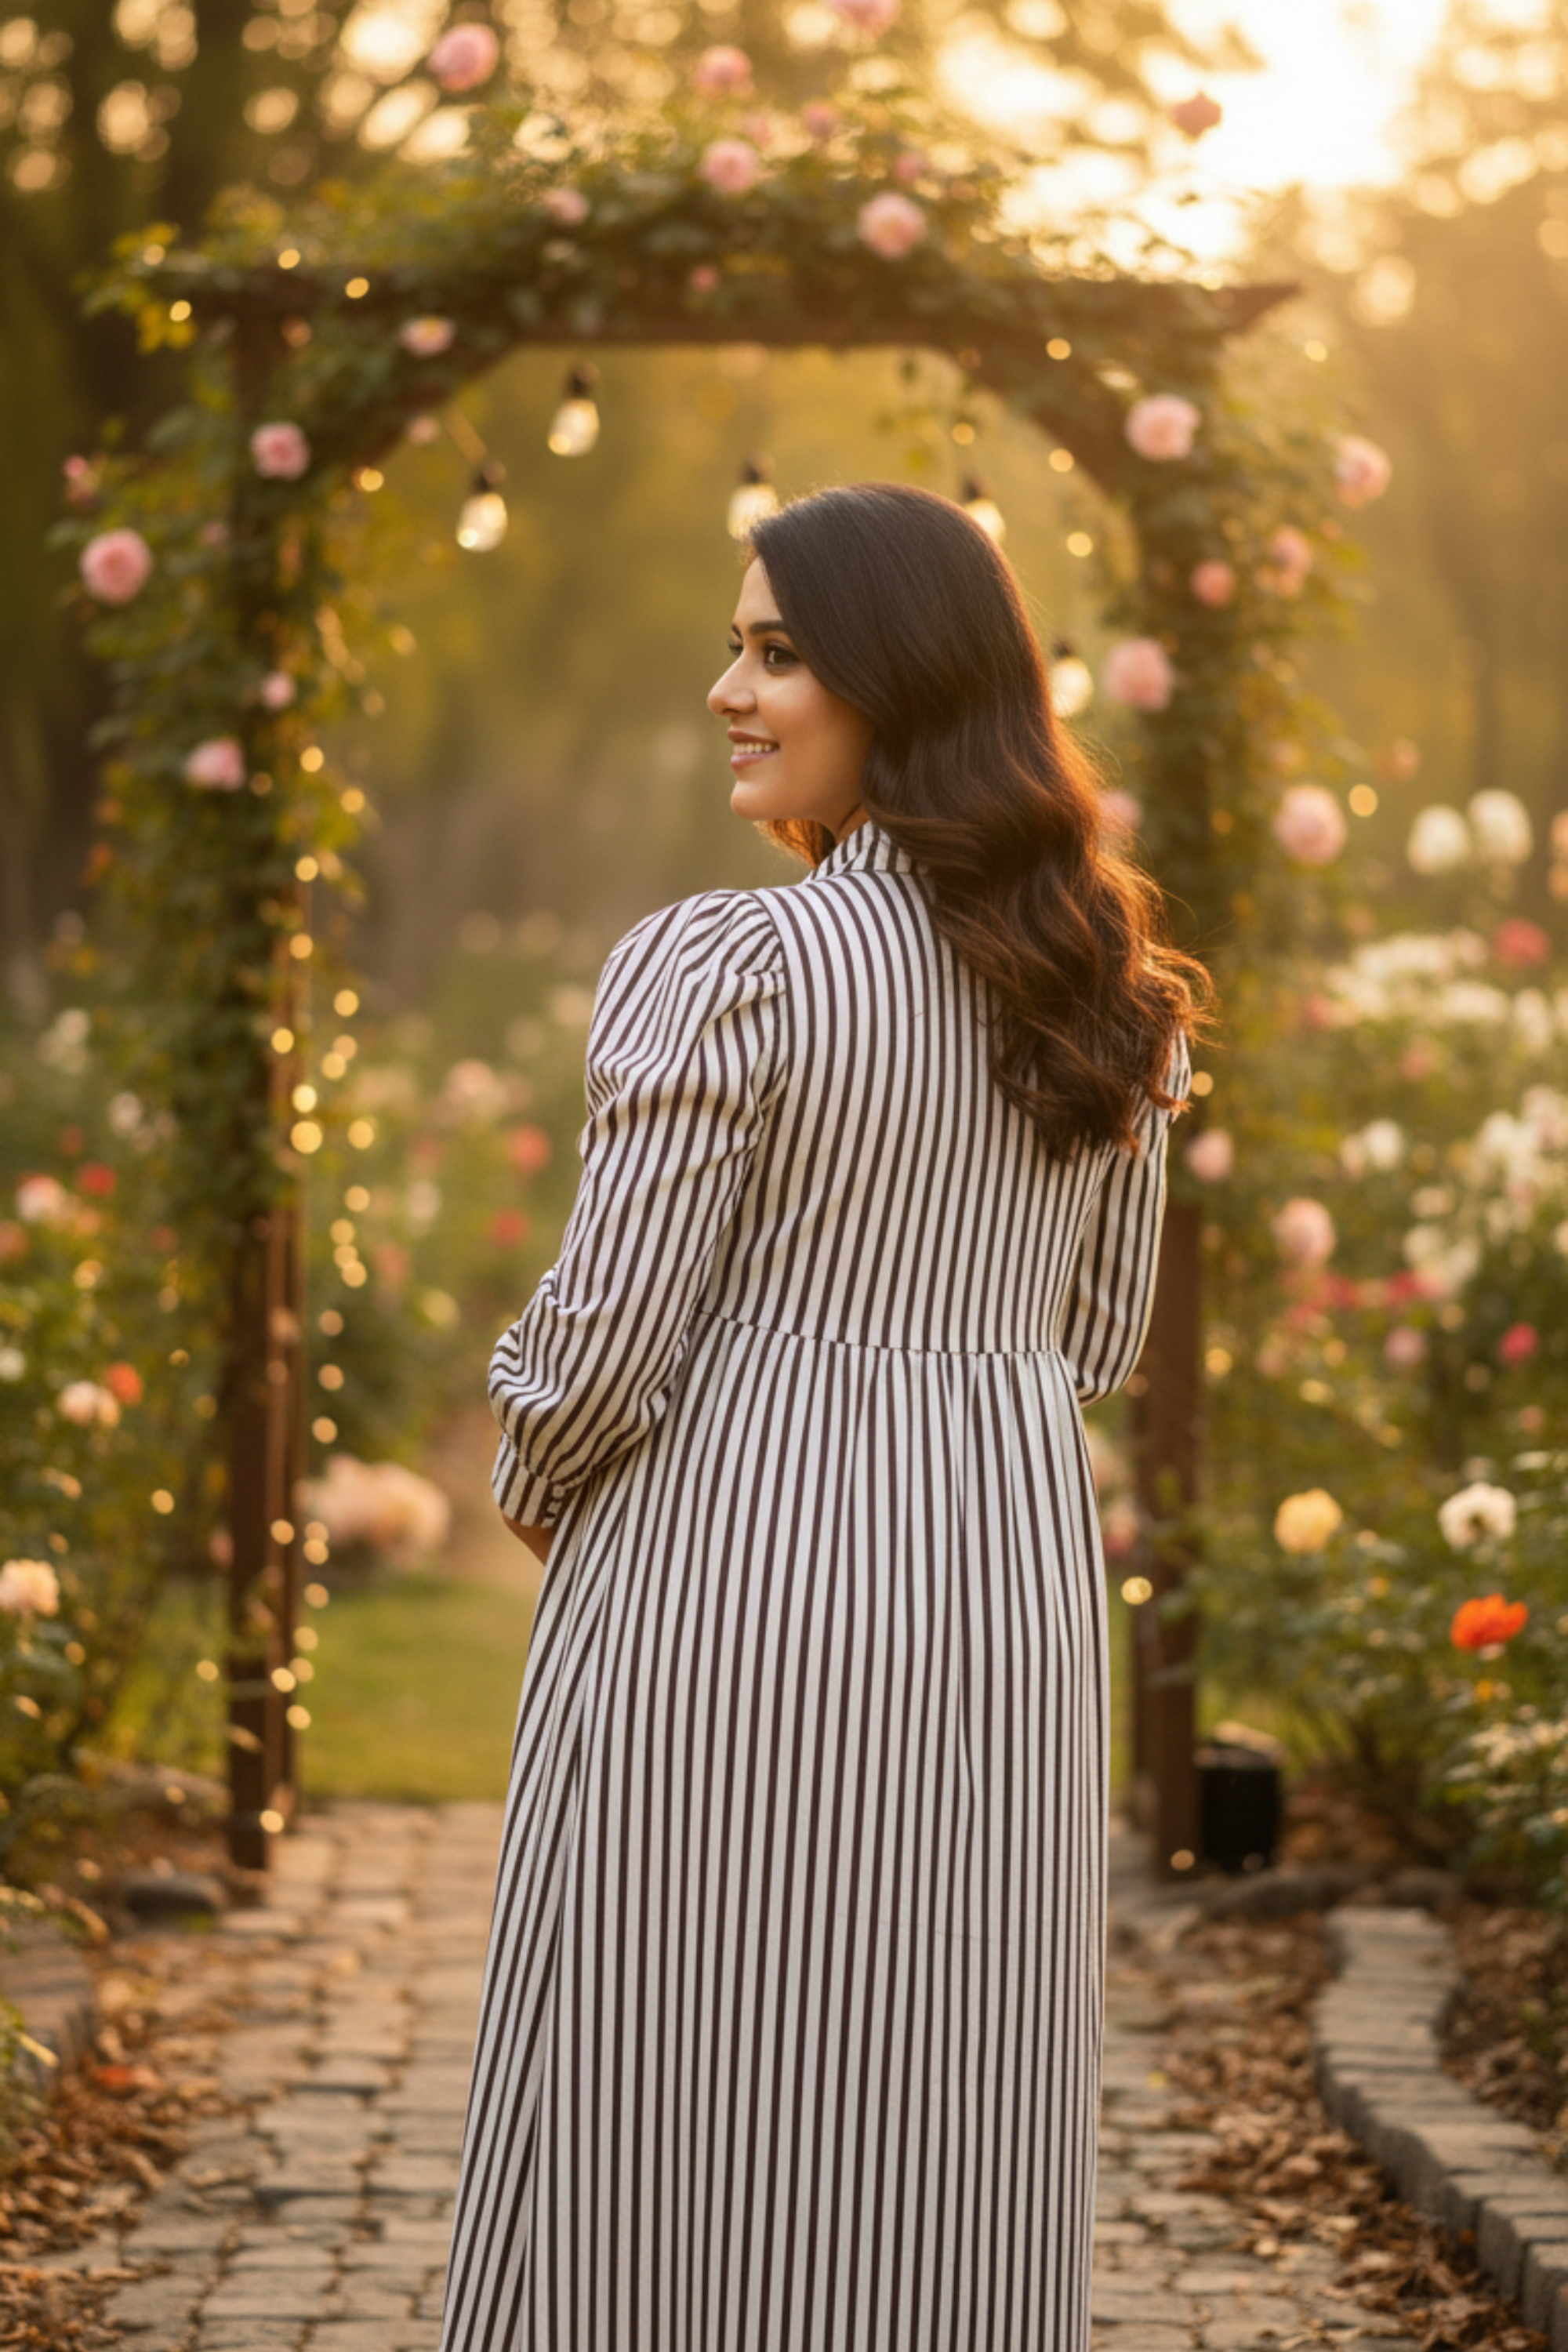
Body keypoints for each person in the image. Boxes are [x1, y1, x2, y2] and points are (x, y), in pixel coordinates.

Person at [439, 481, 1207, 2352]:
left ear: (903, 681)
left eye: (778, 653)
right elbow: (1091, 1333)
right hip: (1002, 1580)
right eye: (735, 647)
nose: (730, 688)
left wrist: (541, 1475)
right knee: (943, 2082)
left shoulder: (744, 964)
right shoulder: (1109, 995)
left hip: (730, 1556)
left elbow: (607, 1344)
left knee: (654, 2058)